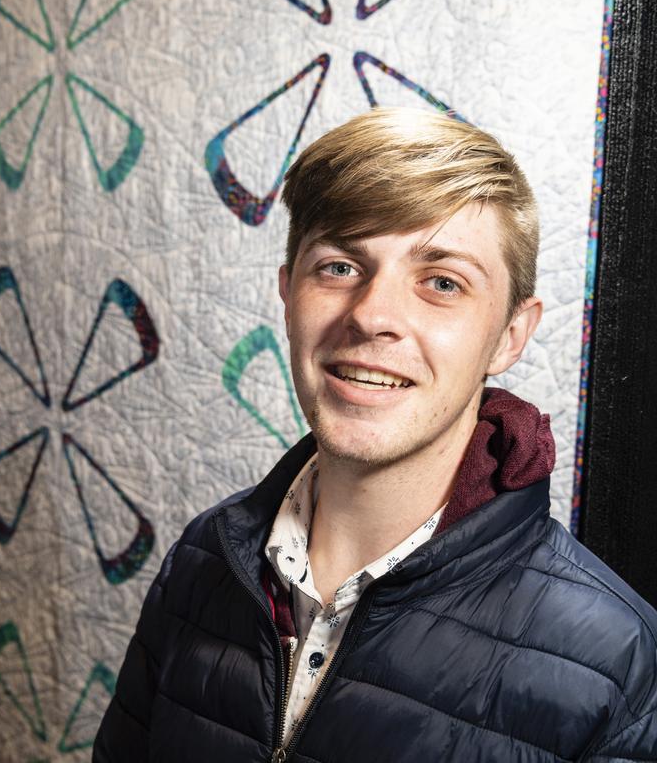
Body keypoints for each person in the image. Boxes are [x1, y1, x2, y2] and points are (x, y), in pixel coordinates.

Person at [94, 108, 657, 762]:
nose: (372, 316)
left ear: (510, 335)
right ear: (287, 289)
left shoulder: (620, 659)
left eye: (442, 282)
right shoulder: (202, 560)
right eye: (338, 267)